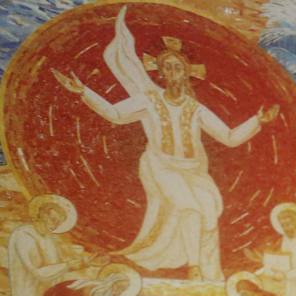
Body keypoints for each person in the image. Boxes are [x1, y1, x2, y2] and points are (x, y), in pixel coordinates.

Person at [53, 7, 278, 281]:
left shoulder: (195, 108)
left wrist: (258, 120)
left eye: (178, 67)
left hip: (194, 170)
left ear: (186, 72)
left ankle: (210, 274)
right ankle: (194, 268)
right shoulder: (149, 99)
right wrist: (84, 92)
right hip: (161, 165)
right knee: (190, 207)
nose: (173, 72)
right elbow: (115, 114)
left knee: (208, 214)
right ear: (159, 72)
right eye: (167, 67)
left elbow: (229, 137)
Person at [6, 194, 92, 296]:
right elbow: (38, 271)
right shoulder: (24, 235)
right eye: (52, 218)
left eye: (58, 222)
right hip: (29, 291)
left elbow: (58, 266)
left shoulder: (49, 239)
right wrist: (69, 265)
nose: (54, 224)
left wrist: (79, 263)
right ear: (41, 214)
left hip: (46, 292)